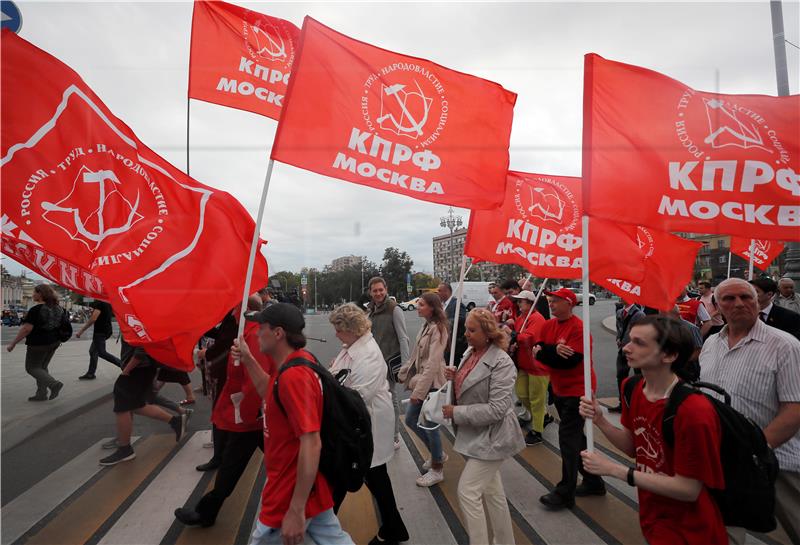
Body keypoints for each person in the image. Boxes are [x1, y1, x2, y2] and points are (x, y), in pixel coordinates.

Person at [579, 316, 727, 544]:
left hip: (690, 528)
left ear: (669, 355)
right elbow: (632, 446)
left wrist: (615, 470)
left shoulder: (694, 410)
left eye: (639, 343)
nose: (626, 347)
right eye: (629, 340)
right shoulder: (633, 387)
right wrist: (600, 420)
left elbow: (688, 489)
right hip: (652, 514)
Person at [232, 303, 354, 545]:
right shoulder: (293, 363)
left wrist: (296, 509)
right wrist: (247, 359)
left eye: (261, 327)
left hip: (287, 492)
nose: (256, 333)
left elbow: (311, 443)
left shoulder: (295, 376)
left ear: (278, 333)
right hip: (303, 487)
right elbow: (271, 392)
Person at [699, 278, 800, 544]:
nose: (739, 304)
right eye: (729, 299)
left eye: (746, 297)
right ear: (717, 307)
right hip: (723, 461)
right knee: (722, 532)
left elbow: (794, 409)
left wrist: (756, 450)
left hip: (776, 460)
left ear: (758, 302)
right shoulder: (711, 345)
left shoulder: (784, 345)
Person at [174, 295, 270, 528]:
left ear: (243, 310)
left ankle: (206, 512)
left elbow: (256, 383)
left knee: (233, 464)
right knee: (277, 460)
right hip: (249, 415)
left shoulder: (254, 336)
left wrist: (243, 415)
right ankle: (207, 511)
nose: (232, 312)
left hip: (249, 417)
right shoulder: (245, 333)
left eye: (235, 308)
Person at [442, 308, 525, 544]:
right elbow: (471, 383)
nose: (465, 334)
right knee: (493, 493)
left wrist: (457, 412)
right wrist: (454, 375)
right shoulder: (471, 351)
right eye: (466, 328)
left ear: (488, 333)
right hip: (477, 434)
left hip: (494, 437)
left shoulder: (502, 362)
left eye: (471, 330)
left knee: (467, 492)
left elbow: (497, 409)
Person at [328, 304, 409, 545]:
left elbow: (358, 396)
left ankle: (321, 525)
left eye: (338, 329)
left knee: (362, 474)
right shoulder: (353, 347)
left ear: (351, 329)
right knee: (369, 476)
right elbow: (338, 374)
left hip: (368, 425)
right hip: (361, 426)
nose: (335, 334)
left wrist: (329, 396)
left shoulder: (369, 355)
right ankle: (394, 528)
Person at [532, 288, 605, 510]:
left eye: (556, 301)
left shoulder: (579, 329)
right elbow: (538, 348)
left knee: (567, 439)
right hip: (560, 388)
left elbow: (568, 361)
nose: (551, 304)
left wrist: (545, 352)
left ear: (570, 304)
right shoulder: (548, 325)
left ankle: (565, 492)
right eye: (550, 301)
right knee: (576, 439)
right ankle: (593, 482)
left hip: (579, 391)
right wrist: (552, 350)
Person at [99, 339, 188, 465]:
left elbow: (142, 346)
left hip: (138, 368)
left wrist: (127, 369)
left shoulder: (136, 318)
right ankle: (176, 421)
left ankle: (125, 449)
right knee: (135, 405)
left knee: (122, 406)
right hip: (143, 368)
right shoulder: (133, 319)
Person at [398, 292, 448, 487]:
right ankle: (438, 454)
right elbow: (416, 357)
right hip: (423, 381)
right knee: (411, 420)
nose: (417, 307)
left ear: (432, 308)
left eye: (421, 305)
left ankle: (437, 469)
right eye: (418, 304)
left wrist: (418, 393)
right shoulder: (426, 325)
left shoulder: (439, 328)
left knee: (430, 425)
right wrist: (403, 372)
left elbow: (433, 363)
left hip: (432, 383)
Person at [367, 277, 411, 450]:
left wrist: (405, 366)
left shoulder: (394, 309)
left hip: (389, 360)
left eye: (380, 290)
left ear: (386, 289)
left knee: (391, 397)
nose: (378, 293)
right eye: (374, 290)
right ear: (370, 292)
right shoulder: (370, 310)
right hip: (374, 362)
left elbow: (403, 338)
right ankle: (381, 431)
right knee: (376, 398)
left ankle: (394, 435)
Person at [6, 284, 65, 401]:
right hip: (54, 342)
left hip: (38, 344)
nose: (33, 294)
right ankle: (41, 394)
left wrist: (13, 343)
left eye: (34, 292)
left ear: (40, 294)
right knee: (42, 367)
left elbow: (26, 329)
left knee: (32, 368)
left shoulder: (36, 309)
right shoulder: (58, 308)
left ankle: (54, 384)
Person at [510, 290, 548, 445]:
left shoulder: (536, 318)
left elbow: (528, 337)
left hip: (538, 366)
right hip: (524, 363)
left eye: (521, 301)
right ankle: (543, 416)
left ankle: (537, 430)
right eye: (518, 301)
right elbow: (521, 337)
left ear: (530, 303)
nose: (518, 304)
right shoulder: (521, 318)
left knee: (536, 399)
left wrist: (513, 335)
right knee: (522, 394)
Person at [609, 300, 645, 412]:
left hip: (636, 350)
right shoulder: (620, 312)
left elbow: (640, 332)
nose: (620, 297)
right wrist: (618, 339)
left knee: (638, 376)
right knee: (621, 375)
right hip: (622, 350)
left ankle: (639, 403)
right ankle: (622, 403)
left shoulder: (639, 314)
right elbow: (619, 327)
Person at [75, 299, 122, 379]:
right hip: (106, 330)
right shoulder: (107, 301)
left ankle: (123, 365)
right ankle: (90, 373)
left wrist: (81, 331)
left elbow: (93, 318)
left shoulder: (99, 302)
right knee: (93, 351)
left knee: (101, 352)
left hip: (100, 331)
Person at [437, 282, 467, 366]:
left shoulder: (457, 304)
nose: (437, 293)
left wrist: (445, 323)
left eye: (439, 290)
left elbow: (461, 319)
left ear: (447, 291)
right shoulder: (442, 305)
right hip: (446, 343)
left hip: (455, 345)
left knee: (452, 367)